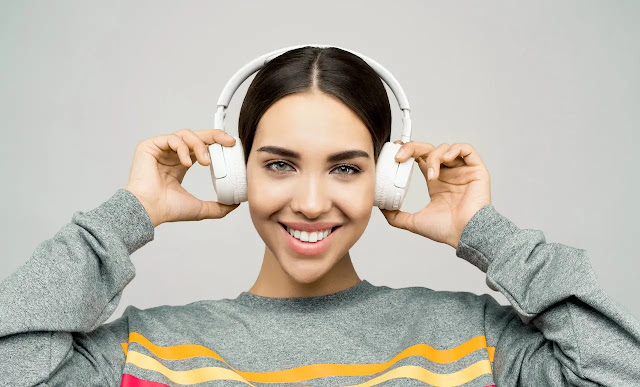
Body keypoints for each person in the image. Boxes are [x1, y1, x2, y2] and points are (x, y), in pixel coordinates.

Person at [1, 47, 639, 387]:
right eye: (279, 165)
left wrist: (488, 234)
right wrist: (126, 216)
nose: (310, 202)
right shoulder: (149, 351)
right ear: (235, 171)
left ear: (386, 178)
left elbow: (619, 372)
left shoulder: (472, 340)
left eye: (346, 168)